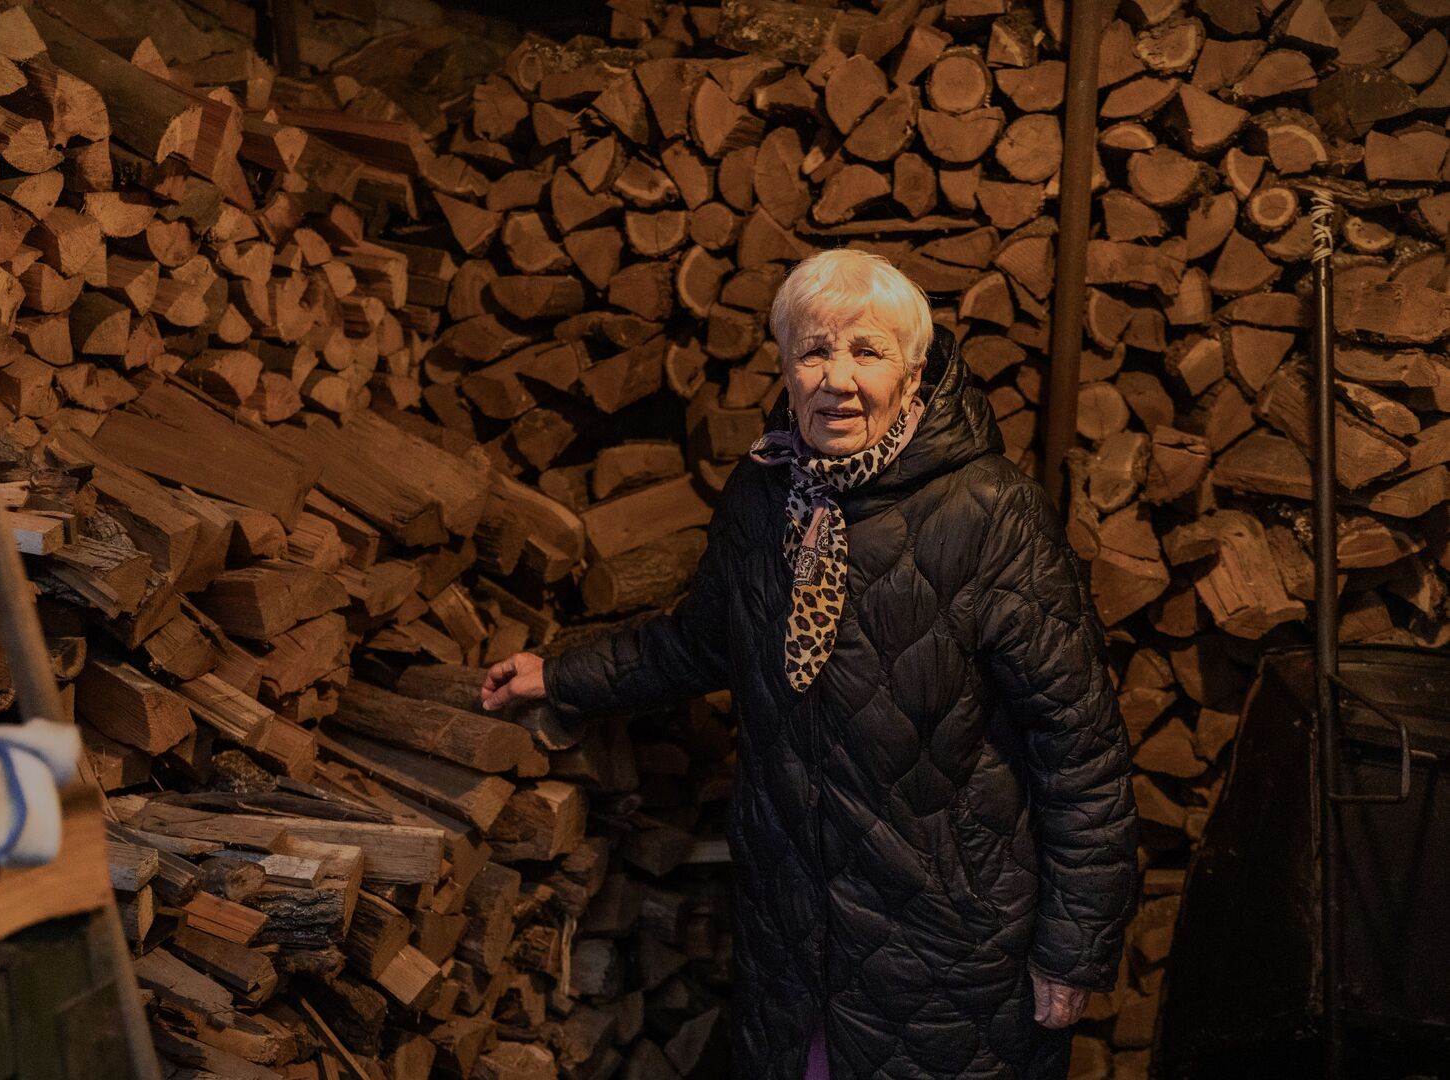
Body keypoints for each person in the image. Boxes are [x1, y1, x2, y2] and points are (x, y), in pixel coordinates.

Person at [480, 249, 1139, 1079]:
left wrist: (1074, 949)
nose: (838, 378)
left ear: (915, 369)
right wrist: (560, 675)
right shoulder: (764, 495)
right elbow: (700, 640)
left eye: (867, 351)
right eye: (814, 351)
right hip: (795, 939)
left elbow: (1080, 752)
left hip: (952, 948)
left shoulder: (991, 513)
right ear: (786, 366)